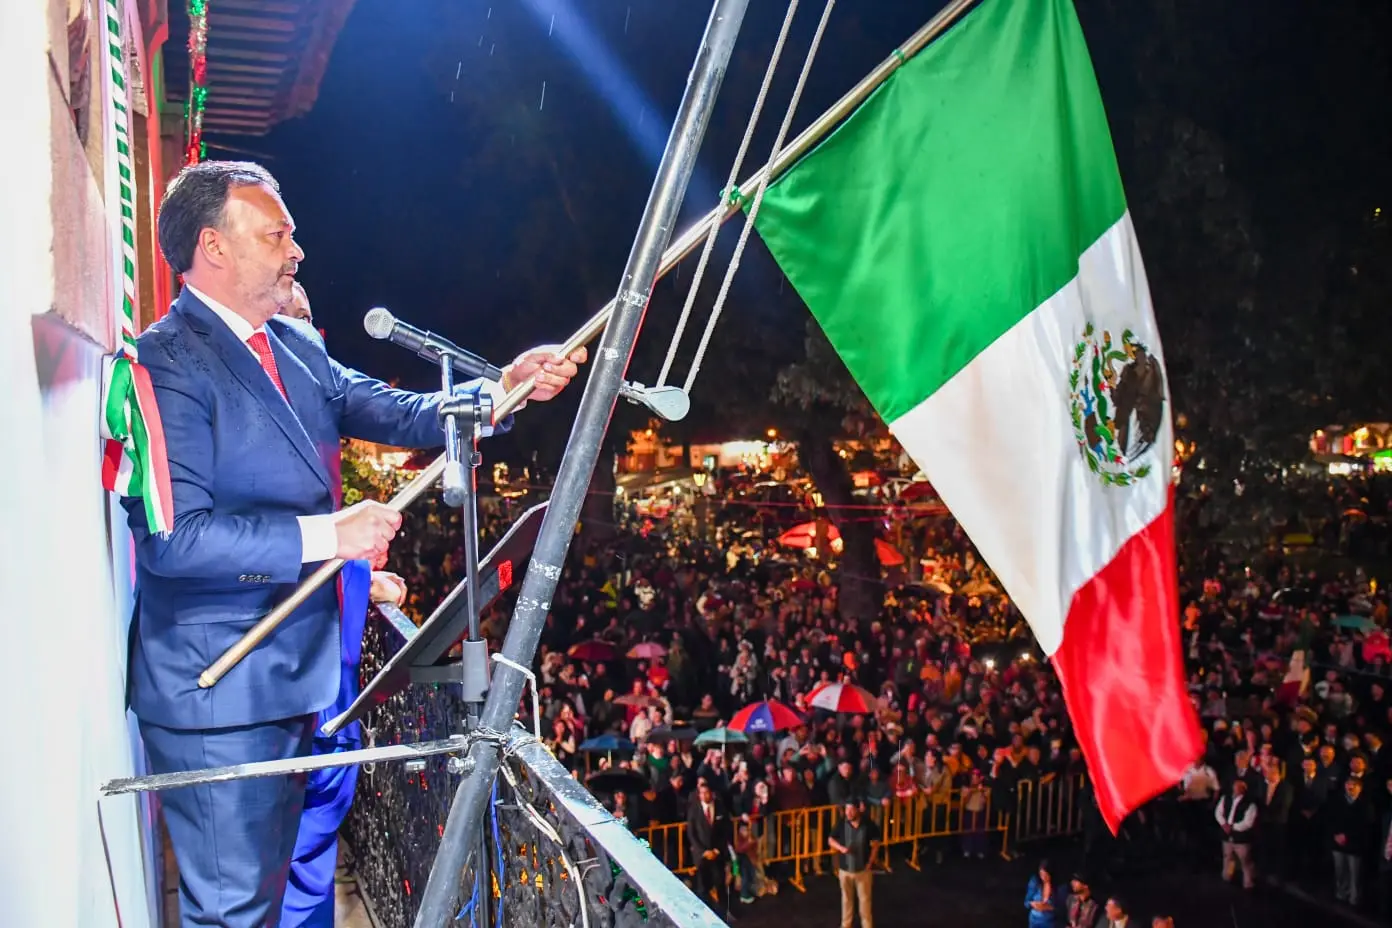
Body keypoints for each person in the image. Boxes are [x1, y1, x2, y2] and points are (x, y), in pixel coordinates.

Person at [127, 160, 584, 927]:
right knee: (234, 912)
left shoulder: (293, 347)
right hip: (219, 690)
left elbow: (401, 411)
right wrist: (328, 535)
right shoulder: (164, 361)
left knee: (267, 901)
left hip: (290, 681)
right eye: (277, 234)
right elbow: (175, 541)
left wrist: (501, 386)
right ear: (214, 246)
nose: (295, 250)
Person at [827, 796, 879, 928]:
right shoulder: (841, 823)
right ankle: (846, 925)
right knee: (846, 900)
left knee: (865, 902)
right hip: (845, 869)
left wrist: (871, 861)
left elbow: (876, 842)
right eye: (846, 809)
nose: (848, 813)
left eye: (851, 810)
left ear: (857, 809)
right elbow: (830, 839)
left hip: (863, 870)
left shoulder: (867, 823)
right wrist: (841, 849)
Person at [687, 779, 734, 920]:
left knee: (720, 883)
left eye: (707, 793)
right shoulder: (694, 810)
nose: (705, 796)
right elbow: (691, 833)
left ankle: (724, 914)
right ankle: (705, 917)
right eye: (702, 793)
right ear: (699, 795)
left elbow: (726, 829)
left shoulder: (720, 807)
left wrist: (717, 850)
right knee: (703, 887)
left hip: (717, 853)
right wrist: (703, 851)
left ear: (711, 794)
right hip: (701, 855)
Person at [1024, 859, 1061, 927]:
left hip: (1049, 922)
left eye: (1046, 875)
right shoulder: (1035, 881)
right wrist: (1033, 904)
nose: (1043, 877)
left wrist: (1049, 907)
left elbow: (1062, 910)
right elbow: (1026, 902)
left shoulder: (1058, 888)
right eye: (1041, 874)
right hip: (1034, 920)